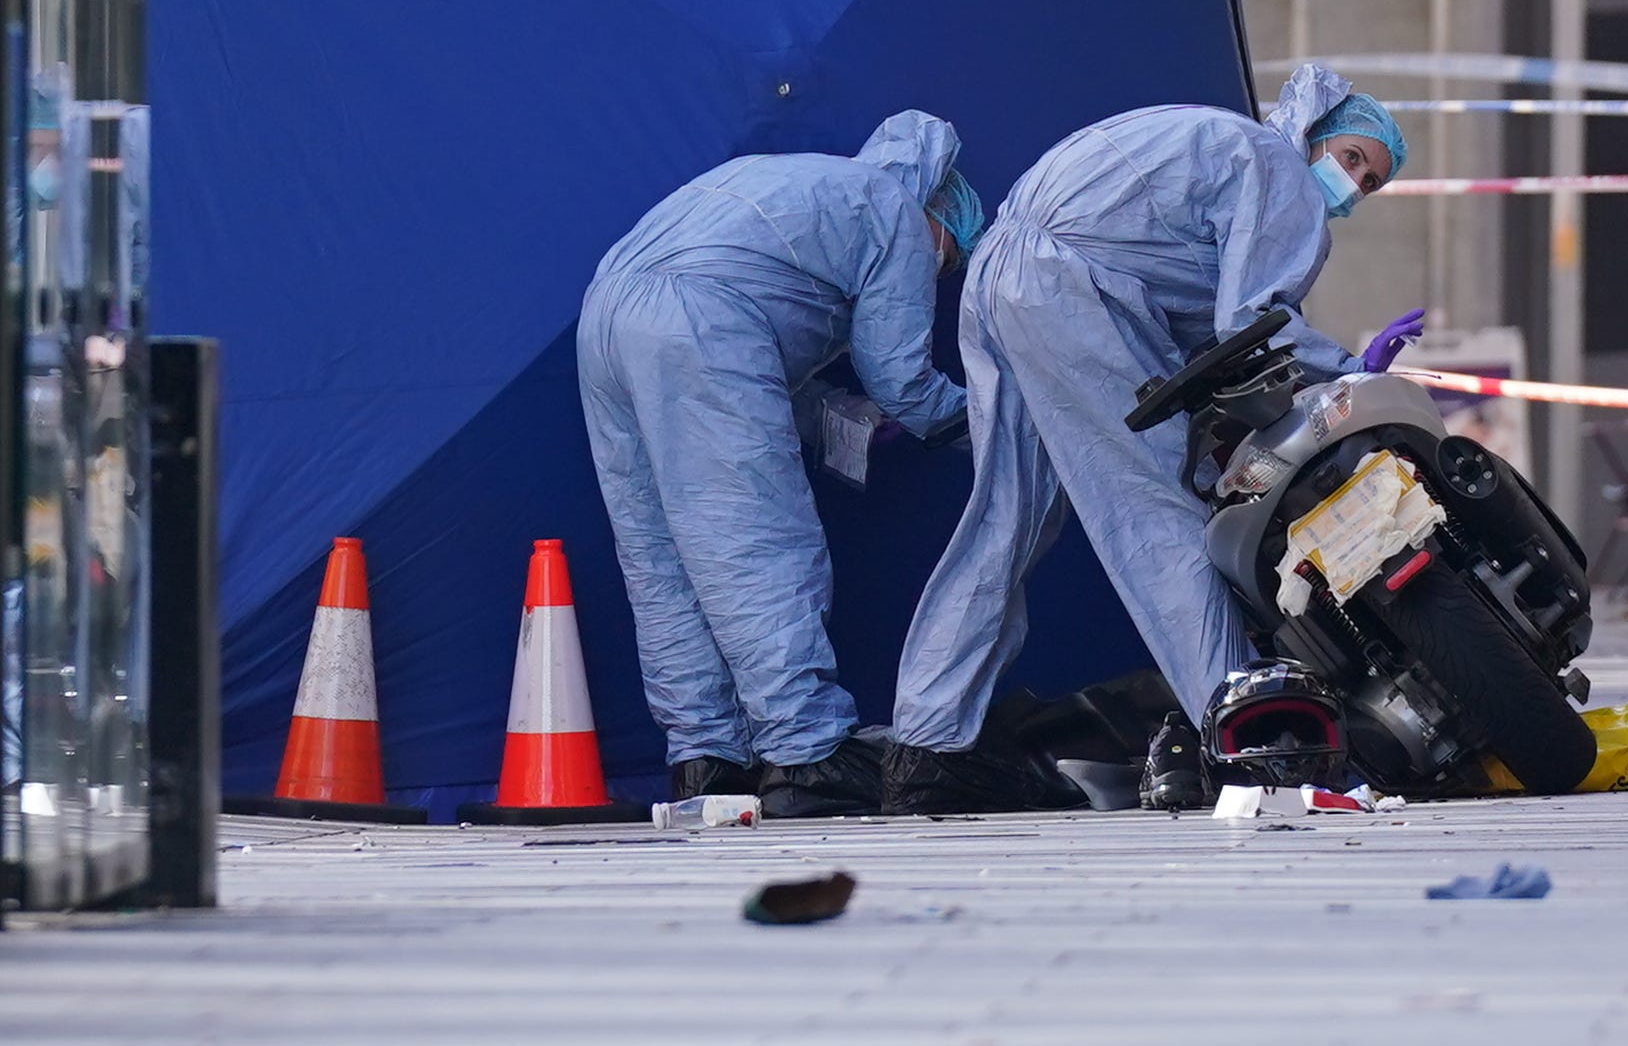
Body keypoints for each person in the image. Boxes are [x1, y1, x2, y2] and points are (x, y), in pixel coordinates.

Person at [881, 65, 1417, 814]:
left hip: (1004, 272)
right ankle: (1243, 734)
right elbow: (1250, 323)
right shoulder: (1276, 171)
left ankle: (924, 748)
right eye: (1354, 157)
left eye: (1371, 182)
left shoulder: (1220, 141)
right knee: (1157, 513)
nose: (1352, 185)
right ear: (1318, 132)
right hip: (1068, 292)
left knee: (1003, 523)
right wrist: (1350, 371)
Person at [576, 111, 982, 817]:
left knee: (659, 554)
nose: (936, 272)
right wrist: (992, 422)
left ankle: (706, 758)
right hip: (701, 320)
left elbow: (762, 337)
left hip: (606, 315)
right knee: (754, 542)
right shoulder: (894, 211)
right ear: (939, 217)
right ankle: (806, 753)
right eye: (948, 259)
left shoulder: (805, 185)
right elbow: (903, 380)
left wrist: (842, 422)